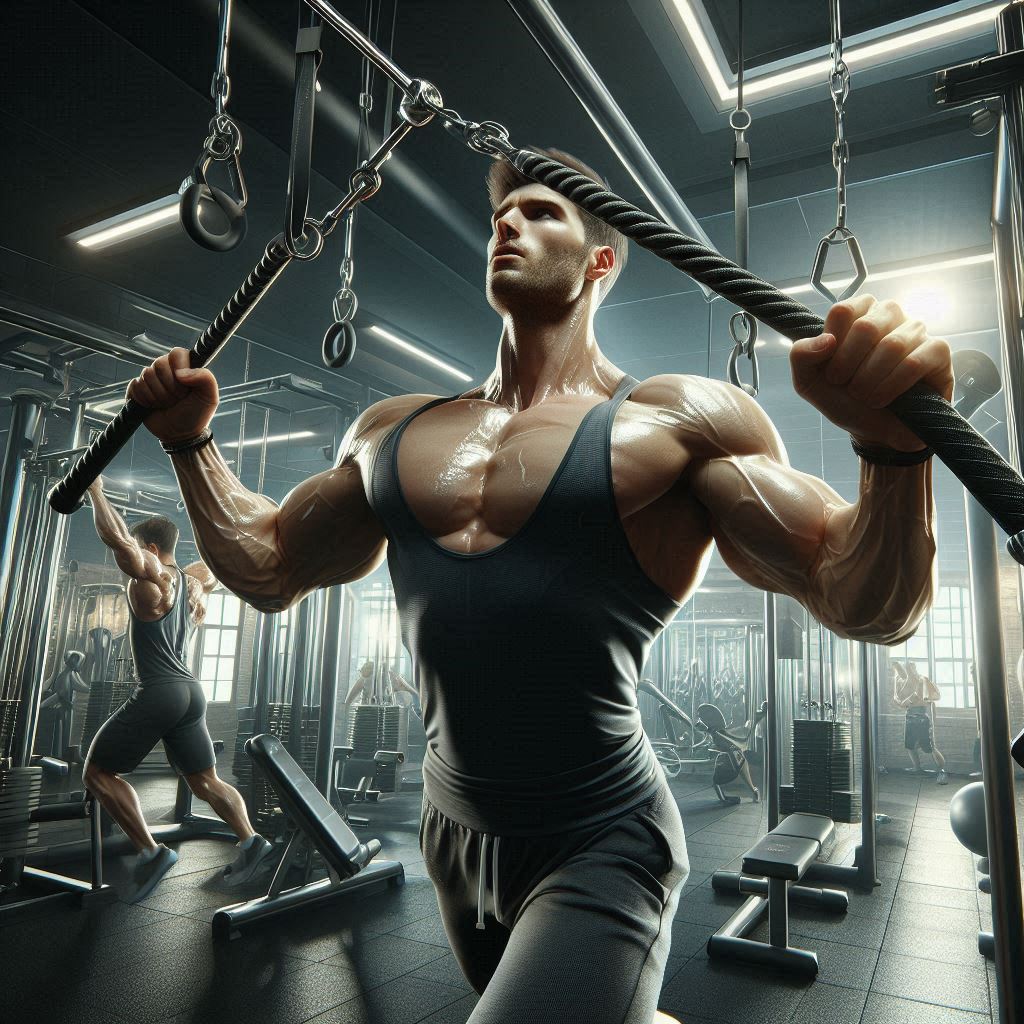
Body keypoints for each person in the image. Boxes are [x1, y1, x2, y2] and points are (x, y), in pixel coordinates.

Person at [125, 146, 949, 1023]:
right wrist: (188, 445)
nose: (508, 223)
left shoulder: (676, 422)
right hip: (453, 835)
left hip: (602, 835)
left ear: (602, 259)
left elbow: (863, 598)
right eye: (500, 214)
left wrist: (892, 453)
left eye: (542, 212)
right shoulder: (390, 431)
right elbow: (270, 564)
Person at [81, 479, 275, 902]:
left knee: (97, 772)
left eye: (138, 548)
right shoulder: (196, 580)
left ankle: (151, 852)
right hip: (192, 691)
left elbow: (116, 539)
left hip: (161, 689)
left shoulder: (154, 580)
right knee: (205, 779)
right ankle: (250, 841)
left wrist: (95, 490)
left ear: (149, 549)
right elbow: (226, 559)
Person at [893, 659, 948, 784]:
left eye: (911, 668)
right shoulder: (903, 682)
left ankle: (942, 771)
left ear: (915, 668)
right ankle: (917, 769)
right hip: (910, 717)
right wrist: (904, 701)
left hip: (922, 717)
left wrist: (909, 700)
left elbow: (929, 697)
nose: (909, 670)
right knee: (910, 745)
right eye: (907, 668)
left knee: (931, 746)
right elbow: (899, 700)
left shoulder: (922, 680)